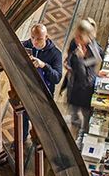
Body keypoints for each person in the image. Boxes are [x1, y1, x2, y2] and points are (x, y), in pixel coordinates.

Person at [20, 23, 62, 141]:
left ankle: (40, 141)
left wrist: (44, 65)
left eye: (39, 39)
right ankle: (22, 138)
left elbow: (57, 78)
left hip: (44, 93)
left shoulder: (55, 54)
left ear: (46, 37)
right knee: (23, 115)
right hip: (27, 89)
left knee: (41, 121)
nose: (34, 42)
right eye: (33, 37)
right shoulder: (24, 46)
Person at [63, 19, 101, 148]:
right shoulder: (75, 43)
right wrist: (68, 62)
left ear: (88, 36)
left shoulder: (93, 51)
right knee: (73, 107)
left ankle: (83, 135)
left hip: (85, 88)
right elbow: (70, 55)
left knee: (86, 113)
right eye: (76, 35)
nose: (76, 39)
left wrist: (79, 59)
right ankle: (75, 121)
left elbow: (84, 77)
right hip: (73, 84)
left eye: (80, 36)